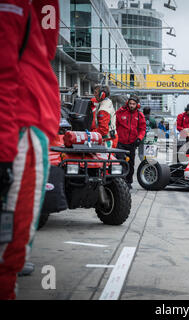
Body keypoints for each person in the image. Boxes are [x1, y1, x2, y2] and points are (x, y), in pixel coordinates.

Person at [0, 0, 60, 300]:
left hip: (24, 129)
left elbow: (46, 51)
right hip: (18, 132)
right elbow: (4, 72)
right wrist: (5, 150)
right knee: (10, 248)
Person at [116, 96, 146, 188]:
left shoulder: (139, 115)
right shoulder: (120, 112)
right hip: (120, 143)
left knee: (131, 163)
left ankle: (129, 182)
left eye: (133, 104)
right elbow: (115, 124)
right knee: (120, 162)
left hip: (132, 144)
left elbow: (142, 129)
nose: (132, 105)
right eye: (130, 103)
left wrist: (139, 138)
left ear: (137, 105)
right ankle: (121, 181)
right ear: (127, 104)